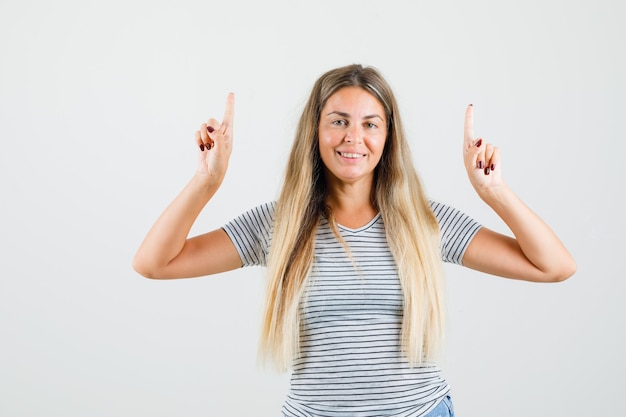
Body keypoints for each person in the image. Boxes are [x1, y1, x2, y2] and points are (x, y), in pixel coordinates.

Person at [132, 64, 576, 417]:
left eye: (370, 124)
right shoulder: (279, 225)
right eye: (338, 121)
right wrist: (205, 184)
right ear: (316, 131)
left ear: (387, 136)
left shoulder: (424, 222)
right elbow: (155, 263)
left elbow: (554, 266)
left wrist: (493, 192)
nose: (353, 138)